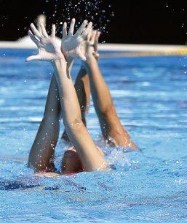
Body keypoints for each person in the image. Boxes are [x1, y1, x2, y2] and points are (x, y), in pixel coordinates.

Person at [27, 19, 137, 174]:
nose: (76, 147)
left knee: (71, 131)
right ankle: (89, 61)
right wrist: (65, 60)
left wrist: (63, 60)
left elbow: (51, 116)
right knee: (109, 120)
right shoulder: (99, 170)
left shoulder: (44, 171)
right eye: (95, 149)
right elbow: (75, 124)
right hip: (113, 154)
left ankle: (88, 60)